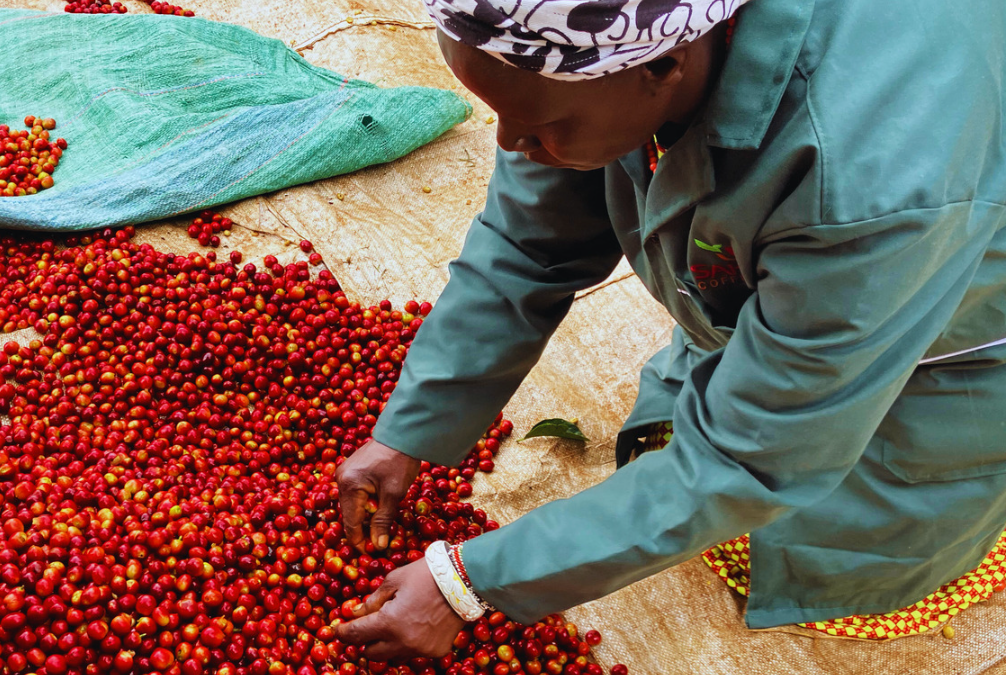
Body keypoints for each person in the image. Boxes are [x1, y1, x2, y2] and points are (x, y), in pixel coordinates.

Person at [335, 0, 1006, 659]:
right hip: (829, 285)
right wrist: (408, 428)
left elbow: (751, 451)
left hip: (942, 350)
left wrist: (470, 581)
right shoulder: (586, 55)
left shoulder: (867, 182)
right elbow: (531, 242)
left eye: (540, 122)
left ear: (662, 66)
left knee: (843, 538)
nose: (508, 141)